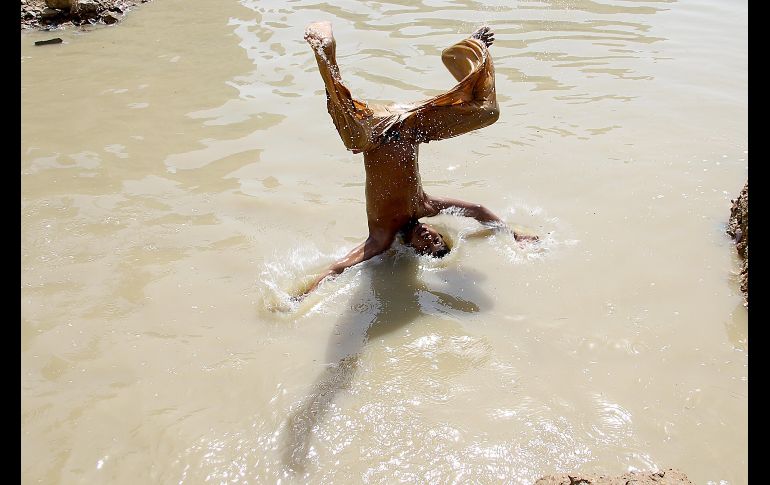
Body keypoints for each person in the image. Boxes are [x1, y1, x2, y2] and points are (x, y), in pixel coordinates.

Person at [300, 21, 535, 296]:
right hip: (411, 126)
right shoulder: (425, 205)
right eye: (436, 239)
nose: (429, 237)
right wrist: (512, 233)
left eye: (428, 245)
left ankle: (323, 47)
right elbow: (478, 211)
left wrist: (300, 295)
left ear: (412, 251)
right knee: (487, 112)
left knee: (350, 132)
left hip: (372, 133)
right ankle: (466, 52)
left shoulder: (382, 237)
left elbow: (338, 268)